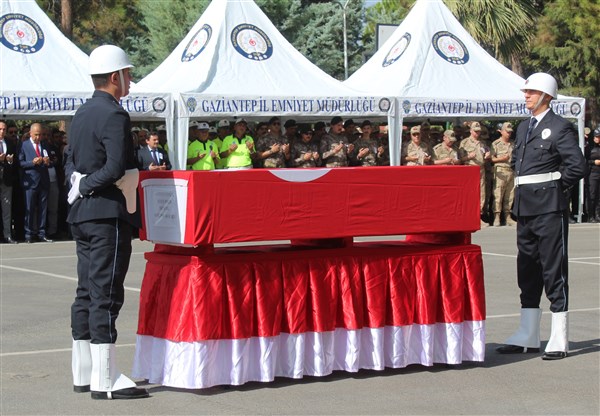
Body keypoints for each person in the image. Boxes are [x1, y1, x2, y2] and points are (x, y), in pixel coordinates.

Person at [65, 44, 149, 399]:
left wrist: (79, 184)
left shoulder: (81, 113)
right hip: (106, 215)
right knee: (106, 293)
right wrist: (87, 183)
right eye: (127, 74)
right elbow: (115, 167)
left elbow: (69, 160)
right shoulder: (114, 114)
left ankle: (83, 371)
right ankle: (105, 378)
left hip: (83, 214)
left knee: (86, 290)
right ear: (115, 77)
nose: (130, 80)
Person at [495, 72, 586, 360]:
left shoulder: (560, 128)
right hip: (525, 209)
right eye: (525, 92)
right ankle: (528, 333)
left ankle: (559, 335)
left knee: (553, 270)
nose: (526, 96)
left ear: (546, 96)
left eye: (531, 92)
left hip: (548, 209)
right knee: (527, 270)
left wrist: (555, 192)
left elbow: (577, 166)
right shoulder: (523, 129)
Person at [19, 123, 52, 244]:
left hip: (43, 180)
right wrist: (32, 162)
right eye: (36, 135)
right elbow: (21, 163)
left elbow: (50, 160)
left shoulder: (44, 144)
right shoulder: (24, 145)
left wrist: (47, 161)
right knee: (30, 207)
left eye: (40, 135)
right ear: (31, 134)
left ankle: (42, 233)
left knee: (43, 208)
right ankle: (28, 234)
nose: (38, 137)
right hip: (31, 181)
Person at [459, 122, 491, 227]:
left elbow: (486, 153)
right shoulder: (464, 143)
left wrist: (487, 155)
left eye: (479, 131)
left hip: (480, 169)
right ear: (471, 131)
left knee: (481, 193)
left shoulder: (482, 143)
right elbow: (459, 159)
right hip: (469, 169)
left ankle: (478, 217)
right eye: (476, 131)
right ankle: (468, 216)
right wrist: (468, 157)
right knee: (469, 193)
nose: (477, 133)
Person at [491, 122, 516, 226]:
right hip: (500, 171)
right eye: (507, 132)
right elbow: (491, 159)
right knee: (498, 195)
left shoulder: (513, 143)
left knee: (510, 195)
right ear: (501, 132)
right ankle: (496, 217)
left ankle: (507, 216)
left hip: (511, 171)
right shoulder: (495, 144)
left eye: (510, 132)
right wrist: (502, 158)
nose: (509, 134)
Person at [0, 121, 17, 243]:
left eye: (4, 129)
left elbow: (14, 162)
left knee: (7, 209)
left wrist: (9, 161)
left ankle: (8, 234)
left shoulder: (9, 143)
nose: (2, 132)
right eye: (0, 129)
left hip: (6, 179)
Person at [586, 128, 600, 222]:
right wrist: (594, 162)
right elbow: (585, 160)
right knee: (592, 195)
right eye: (595, 136)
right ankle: (590, 215)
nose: (597, 138)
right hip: (592, 174)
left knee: (599, 196)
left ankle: (597, 214)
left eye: (598, 137)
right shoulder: (589, 147)